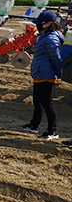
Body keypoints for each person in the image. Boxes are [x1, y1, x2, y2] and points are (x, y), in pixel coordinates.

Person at [20, 11, 63, 140]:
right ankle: (34, 124)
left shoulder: (51, 39)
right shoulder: (43, 35)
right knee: (37, 100)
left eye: (40, 23)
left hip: (47, 74)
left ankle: (52, 131)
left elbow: (56, 58)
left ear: (50, 24)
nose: (38, 26)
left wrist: (58, 74)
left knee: (47, 103)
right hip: (39, 73)